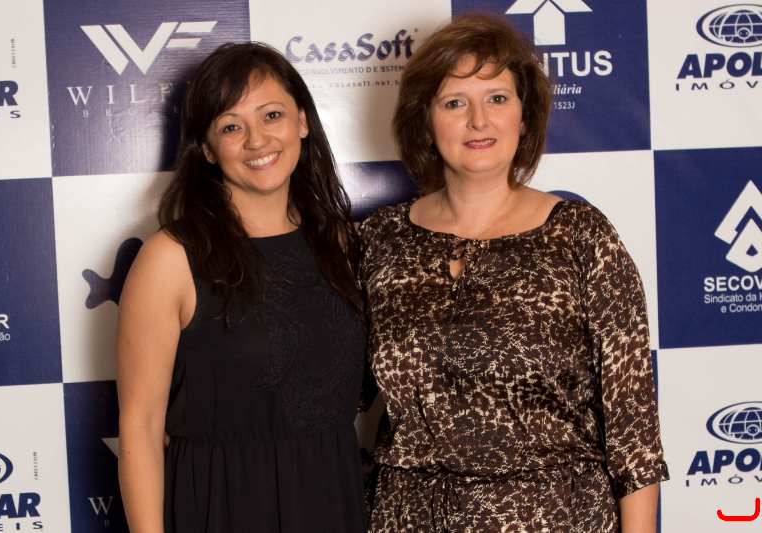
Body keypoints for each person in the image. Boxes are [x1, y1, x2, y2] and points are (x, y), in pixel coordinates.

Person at [359, 13, 668, 533]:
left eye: (497, 98)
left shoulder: (580, 236)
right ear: (425, 123)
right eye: (454, 102)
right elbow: (325, 388)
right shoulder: (379, 240)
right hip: (408, 518)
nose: (478, 120)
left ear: (524, 117)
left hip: (558, 518)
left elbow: (633, 427)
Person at [116, 42, 368, 533]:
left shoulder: (342, 243)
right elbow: (140, 430)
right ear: (208, 149)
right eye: (231, 126)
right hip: (221, 506)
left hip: (331, 499)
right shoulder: (170, 258)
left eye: (271, 115)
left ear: (302, 121)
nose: (257, 140)